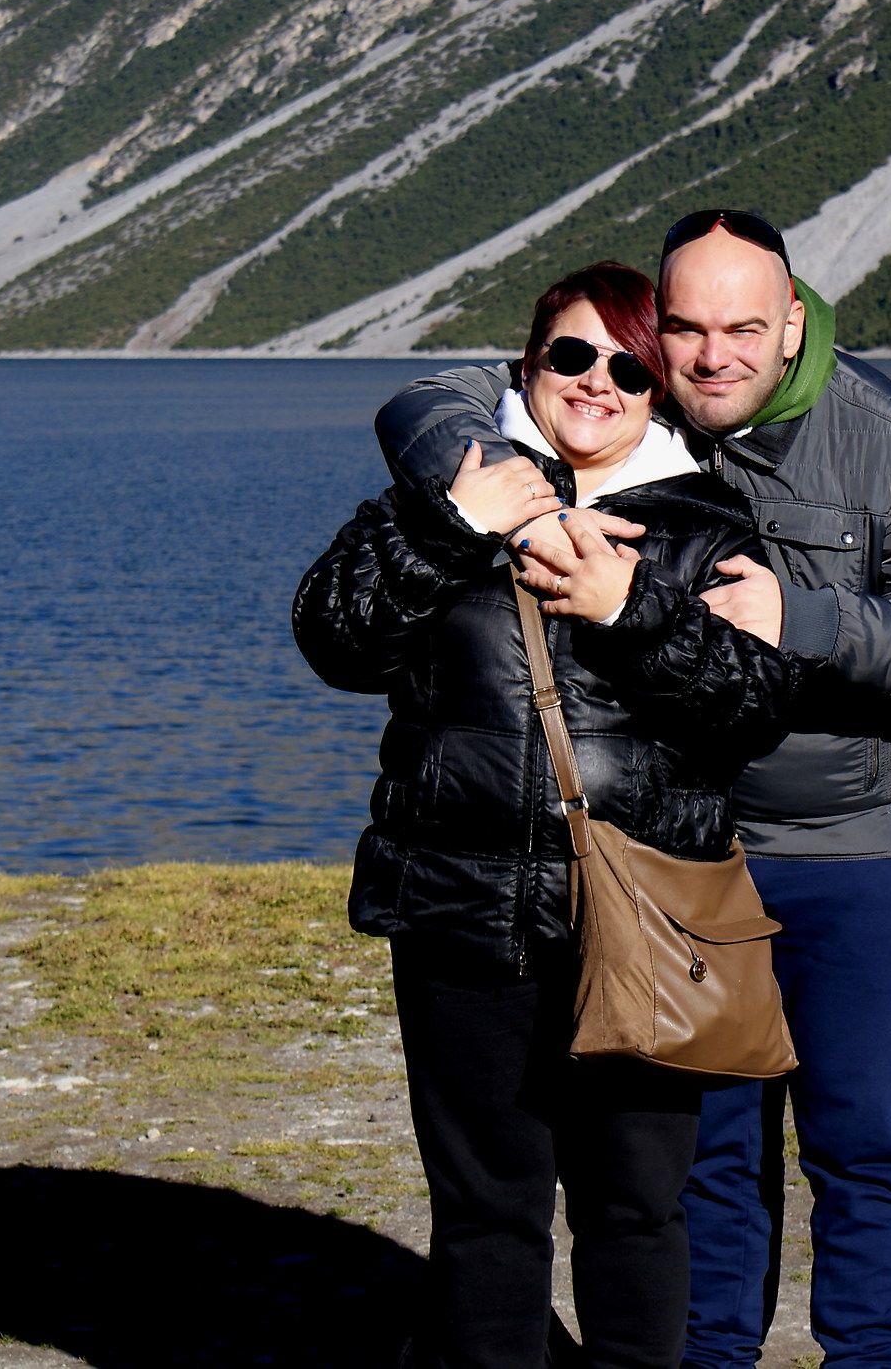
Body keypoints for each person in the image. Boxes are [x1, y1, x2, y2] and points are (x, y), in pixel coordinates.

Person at [374, 212, 891, 1369]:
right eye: (687, 329)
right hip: (683, 854)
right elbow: (428, 397)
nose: (712, 356)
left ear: (793, 320)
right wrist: (481, 477)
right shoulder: (620, 400)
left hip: (853, 848)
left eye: (744, 328)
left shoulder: (889, 442)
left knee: (859, 1147)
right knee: (697, 1167)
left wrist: (799, 620)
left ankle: (868, 1358)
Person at [293, 261, 801, 1369]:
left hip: (646, 925)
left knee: (634, 1214)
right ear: (529, 364)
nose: (598, 383)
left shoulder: (704, 527)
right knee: (486, 1217)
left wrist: (630, 610)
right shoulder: (452, 494)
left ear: (659, 392)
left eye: (629, 366)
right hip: (462, 922)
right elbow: (331, 635)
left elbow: (754, 707)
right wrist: (447, 527)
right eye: (572, 355)